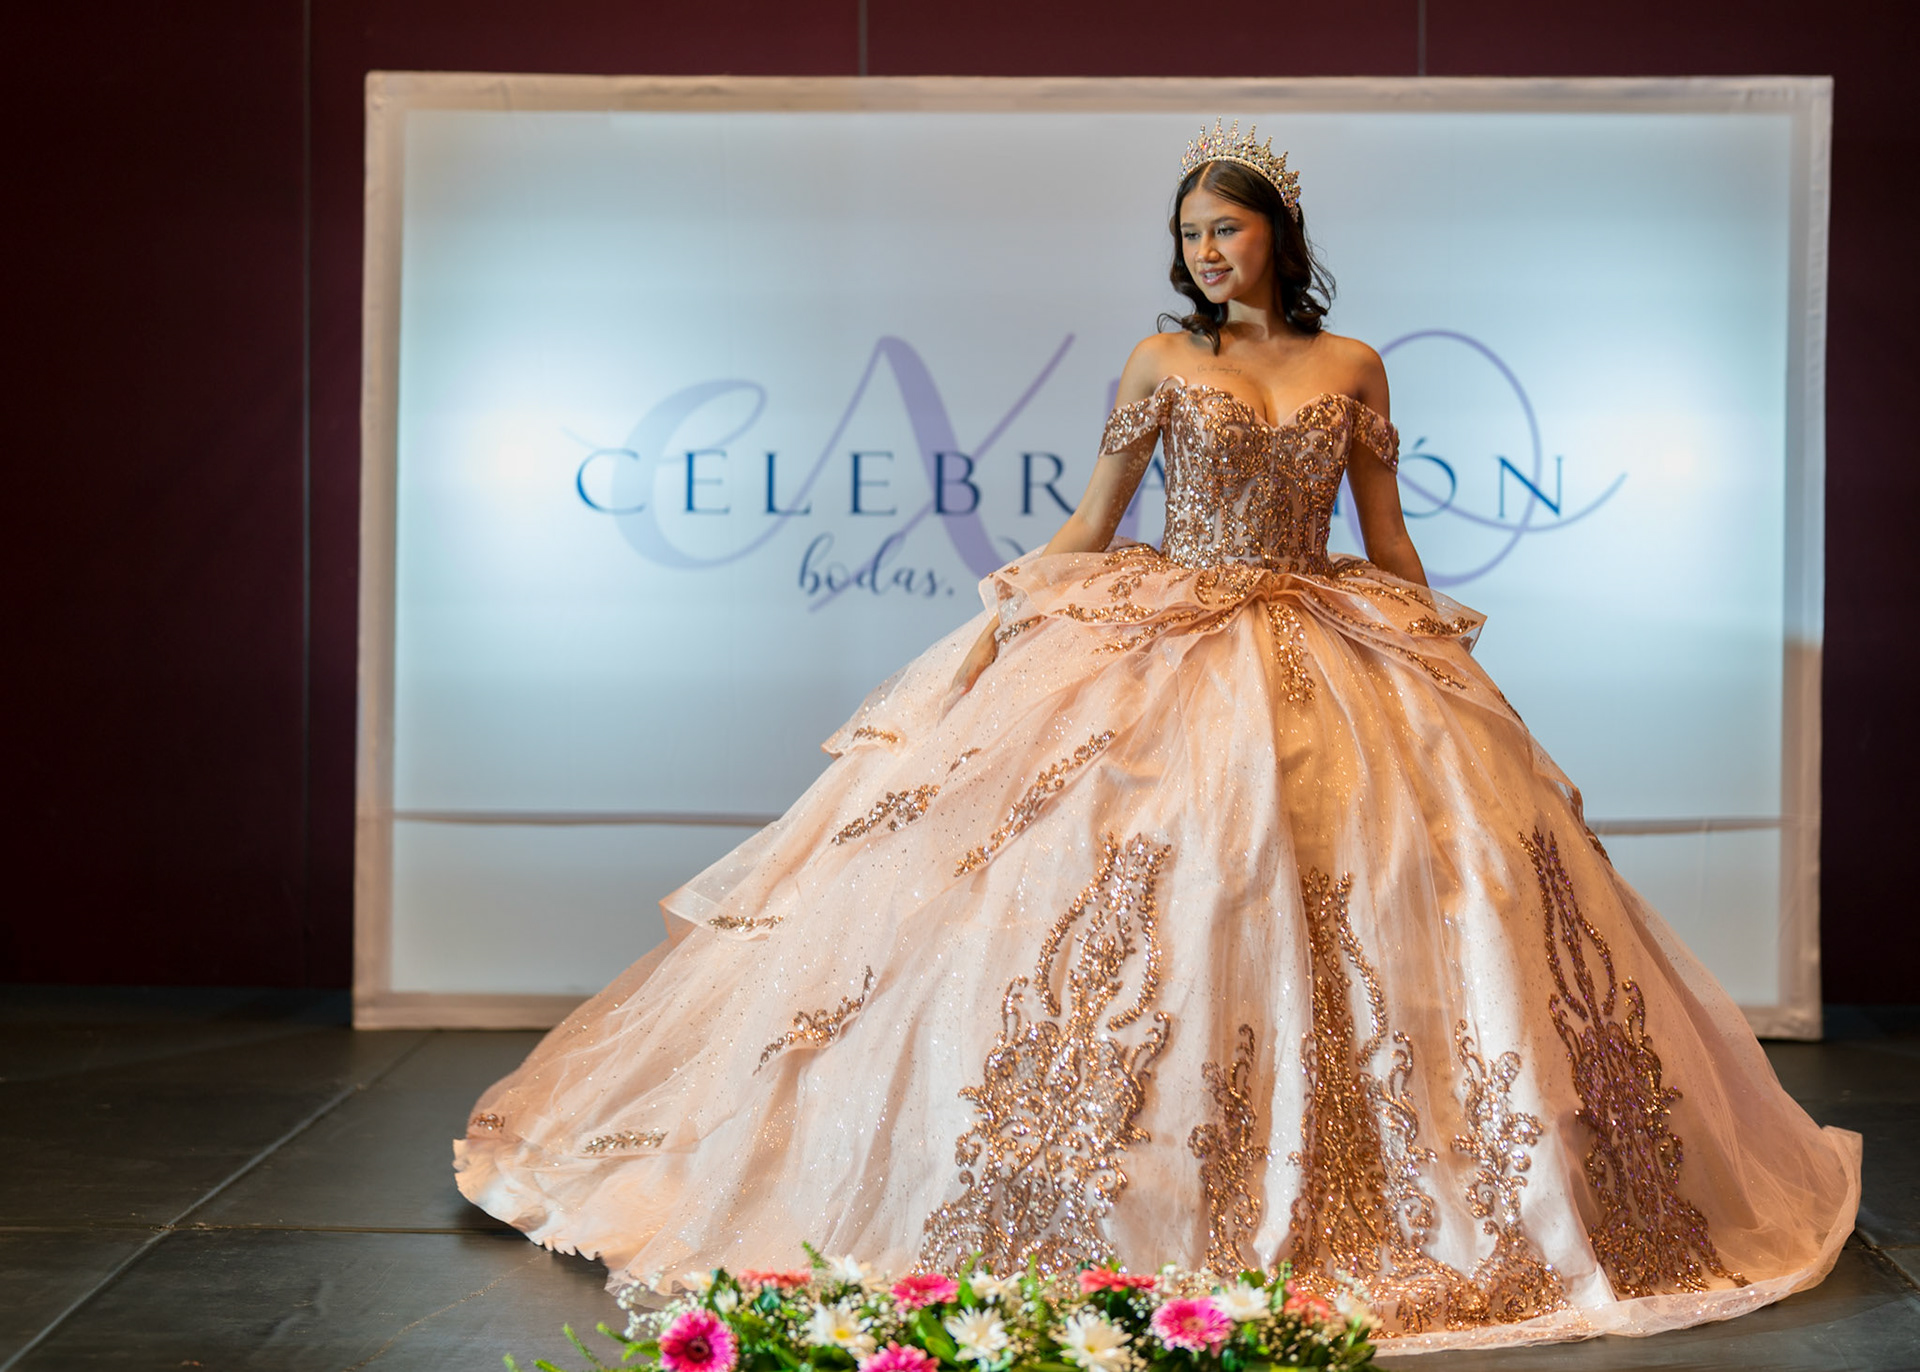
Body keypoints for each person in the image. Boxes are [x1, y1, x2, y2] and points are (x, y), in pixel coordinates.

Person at [455, 121, 1859, 1352]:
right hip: (1179, 639)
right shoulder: (1159, 358)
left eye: (1224, 230)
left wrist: (1444, 655)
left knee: (1389, 887)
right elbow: (1097, 515)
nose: (1203, 254)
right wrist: (1017, 608)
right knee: (1156, 886)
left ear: (1277, 234)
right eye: (1188, 235)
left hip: (1328, 639)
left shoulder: (1355, 365)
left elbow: (1387, 536)